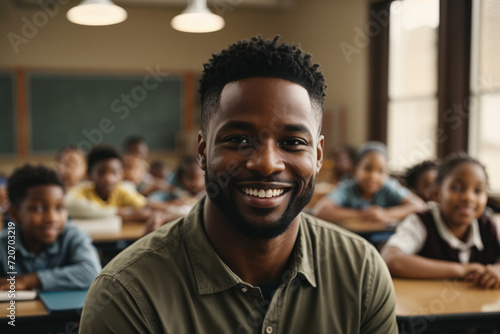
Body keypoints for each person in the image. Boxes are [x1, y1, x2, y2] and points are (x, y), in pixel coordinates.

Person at [80, 35, 397, 333]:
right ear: (203, 152)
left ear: (317, 155)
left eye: (292, 141)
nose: (266, 163)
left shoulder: (362, 275)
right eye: (238, 139)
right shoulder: (126, 294)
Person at [381, 153, 500, 288]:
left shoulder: (489, 225)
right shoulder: (420, 222)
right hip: (424, 306)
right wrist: (460, 270)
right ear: (436, 194)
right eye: (457, 188)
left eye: (478, 190)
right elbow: (391, 259)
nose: (468, 197)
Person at [0, 165, 101, 291]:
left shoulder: (72, 235)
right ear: (14, 214)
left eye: (59, 207)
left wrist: (29, 280)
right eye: (39, 208)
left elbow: (91, 273)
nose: (52, 219)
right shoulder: (4, 244)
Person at [313, 141, 425, 224]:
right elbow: (320, 210)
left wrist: (385, 214)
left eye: (381, 171)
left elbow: (419, 206)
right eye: (368, 169)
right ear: (355, 169)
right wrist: (364, 214)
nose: (373, 176)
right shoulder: (347, 188)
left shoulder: (388, 186)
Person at [66, 145, 151, 221]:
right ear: (89, 175)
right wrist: (121, 213)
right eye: (101, 172)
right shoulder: (82, 190)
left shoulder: (121, 191)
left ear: (121, 174)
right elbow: (70, 205)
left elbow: (144, 207)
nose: (108, 179)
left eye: (114, 173)